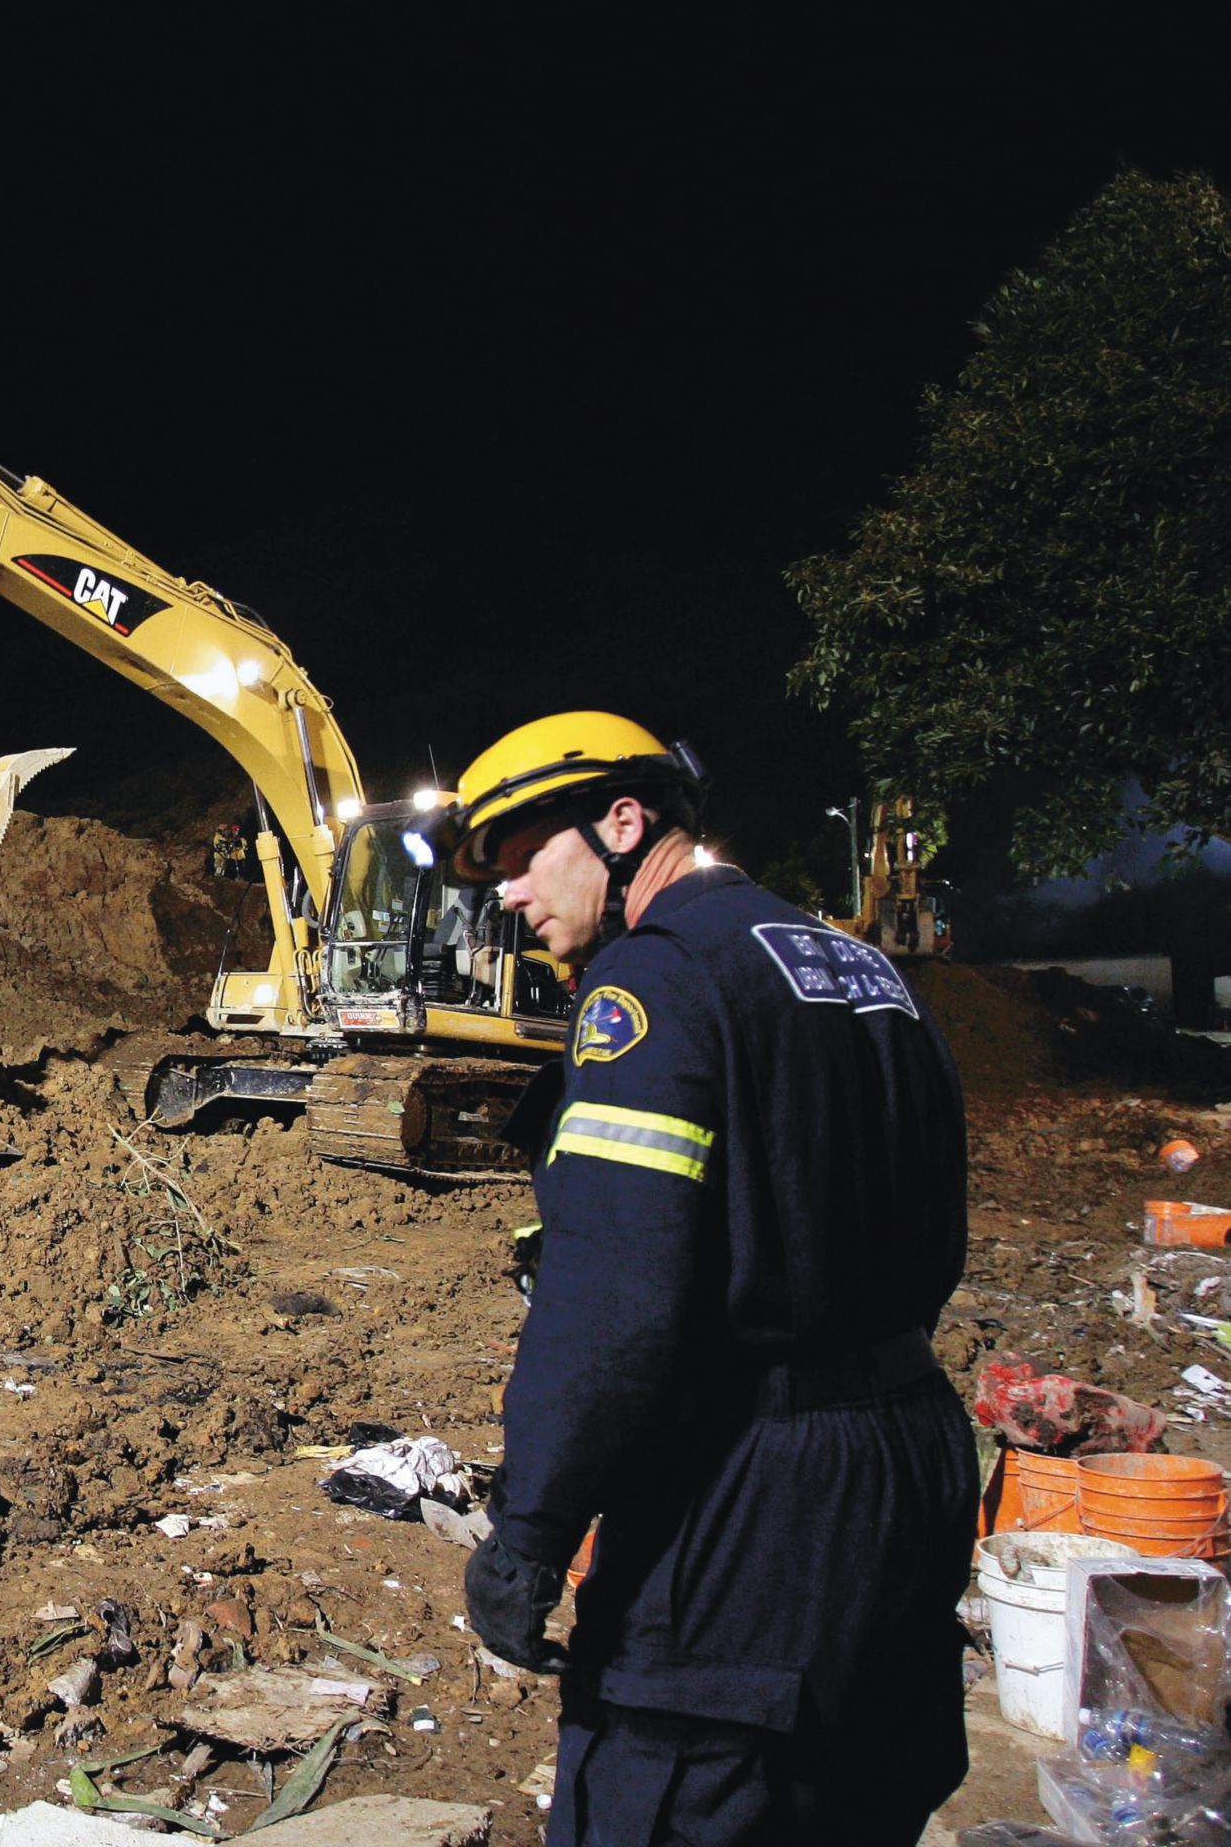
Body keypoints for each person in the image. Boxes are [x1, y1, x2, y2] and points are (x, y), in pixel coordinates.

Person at [422, 712, 973, 1846]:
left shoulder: (653, 985)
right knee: (850, 1798)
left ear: (623, 821)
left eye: (524, 856)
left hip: (751, 1491)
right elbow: (935, 1232)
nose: (511, 894)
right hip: (911, 1458)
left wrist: (529, 1530)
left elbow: (617, 1299)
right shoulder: (858, 967)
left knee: (673, 1793)